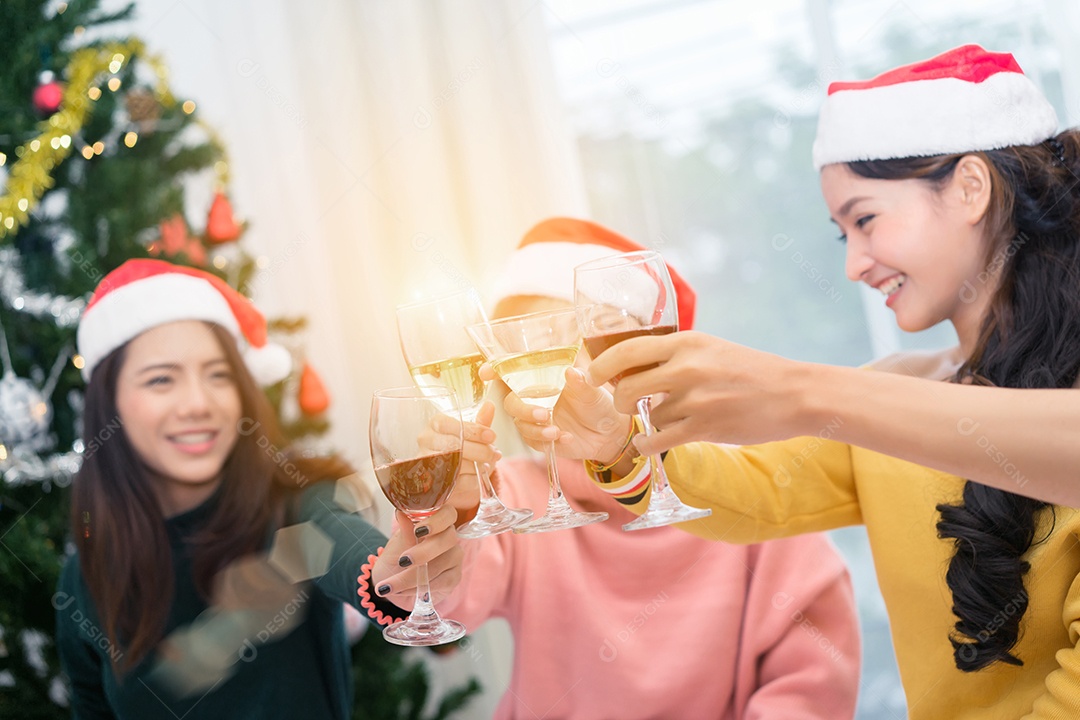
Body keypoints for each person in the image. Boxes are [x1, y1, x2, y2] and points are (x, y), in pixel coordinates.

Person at [505, 46, 1080, 718]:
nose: (855, 265)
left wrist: (796, 390)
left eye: (865, 220)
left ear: (971, 188)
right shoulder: (896, 392)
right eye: (842, 237)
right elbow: (754, 494)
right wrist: (616, 451)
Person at [442, 218, 861, 719]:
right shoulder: (512, 493)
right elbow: (449, 599)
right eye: (516, 348)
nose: (542, 372)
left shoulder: (749, 488)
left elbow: (810, 688)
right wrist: (444, 516)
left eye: (558, 340)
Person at [56, 259, 466, 719]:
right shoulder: (86, 575)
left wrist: (394, 576)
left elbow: (340, 543)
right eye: (161, 379)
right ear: (108, 402)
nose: (198, 403)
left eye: (218, 374)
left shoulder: (292, 509)